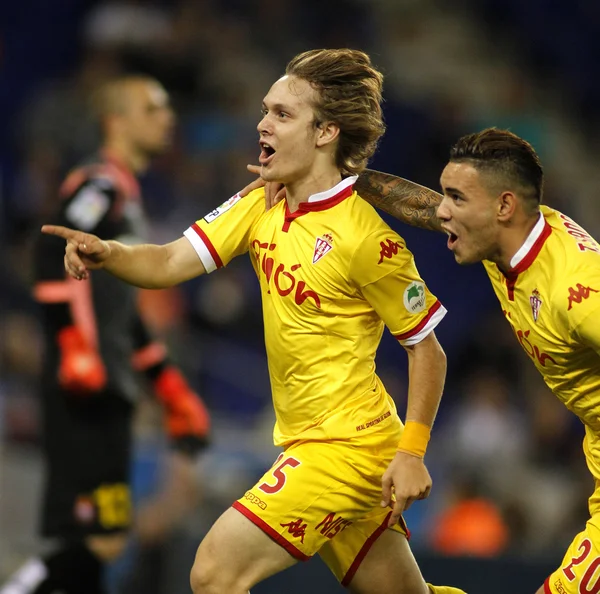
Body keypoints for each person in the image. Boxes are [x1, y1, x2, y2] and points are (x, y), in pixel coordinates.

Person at [41, 50, 467, 594]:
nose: (263, 123)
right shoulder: (262, 202)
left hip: (348, 449)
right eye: (266, 110)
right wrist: (110, 253)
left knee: (214, 573)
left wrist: (412, 453)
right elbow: (171, 260)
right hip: (307, 440)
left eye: (283, 114)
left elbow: (427, 350)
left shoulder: (368, 241)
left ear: (325, 132)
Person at [332, 127, 600, 594]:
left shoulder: (576, 291)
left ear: (504, 206)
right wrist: (335, 178)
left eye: (455, 197)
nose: (441, 209)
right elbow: (419, 207)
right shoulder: (505, 238)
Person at [1, 76, 211, 594]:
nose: (168, 117)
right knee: (96, 535)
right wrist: (73, 345)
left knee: (103, 536)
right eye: (152, 108)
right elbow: (52, 251)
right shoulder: (102, 185)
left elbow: (125, 313)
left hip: (108, 381)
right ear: (116, 121)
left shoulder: (127, 198)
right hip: (86, 382)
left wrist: (167, 386)